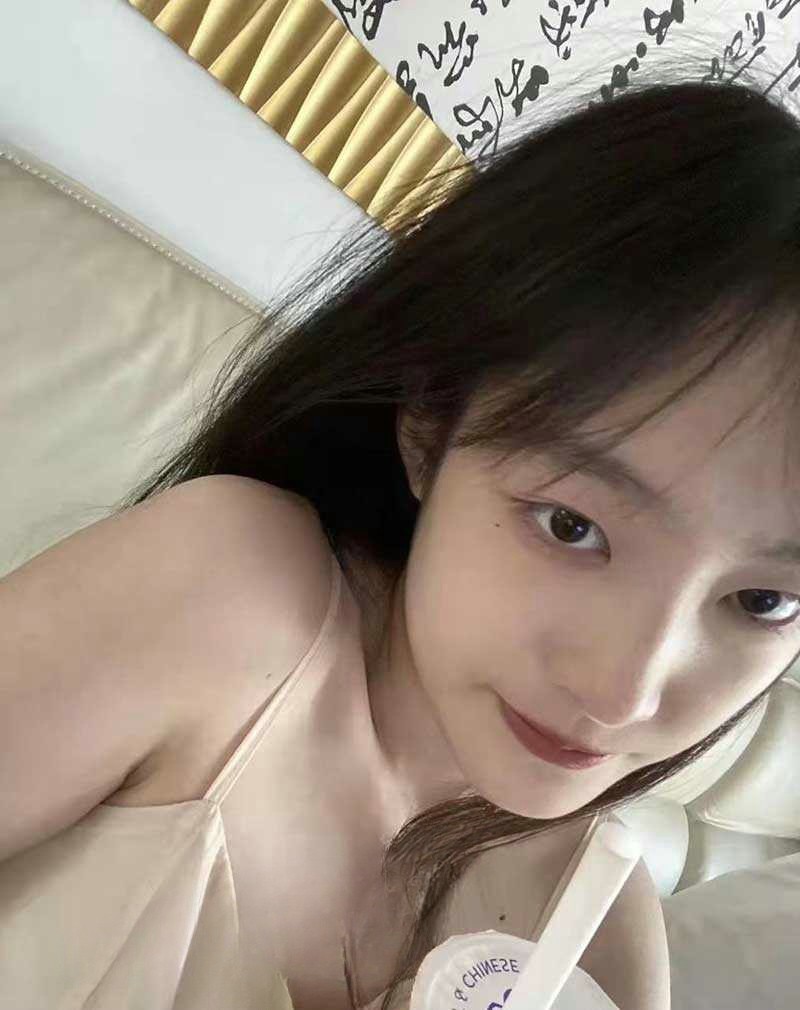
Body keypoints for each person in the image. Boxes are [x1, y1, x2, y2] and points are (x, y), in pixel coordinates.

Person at [3, 70, 800, 1010]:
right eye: (571, 525)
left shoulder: (599, 946)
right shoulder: (222, 597)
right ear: (430, 429)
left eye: (763, 601)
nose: (623, 694)